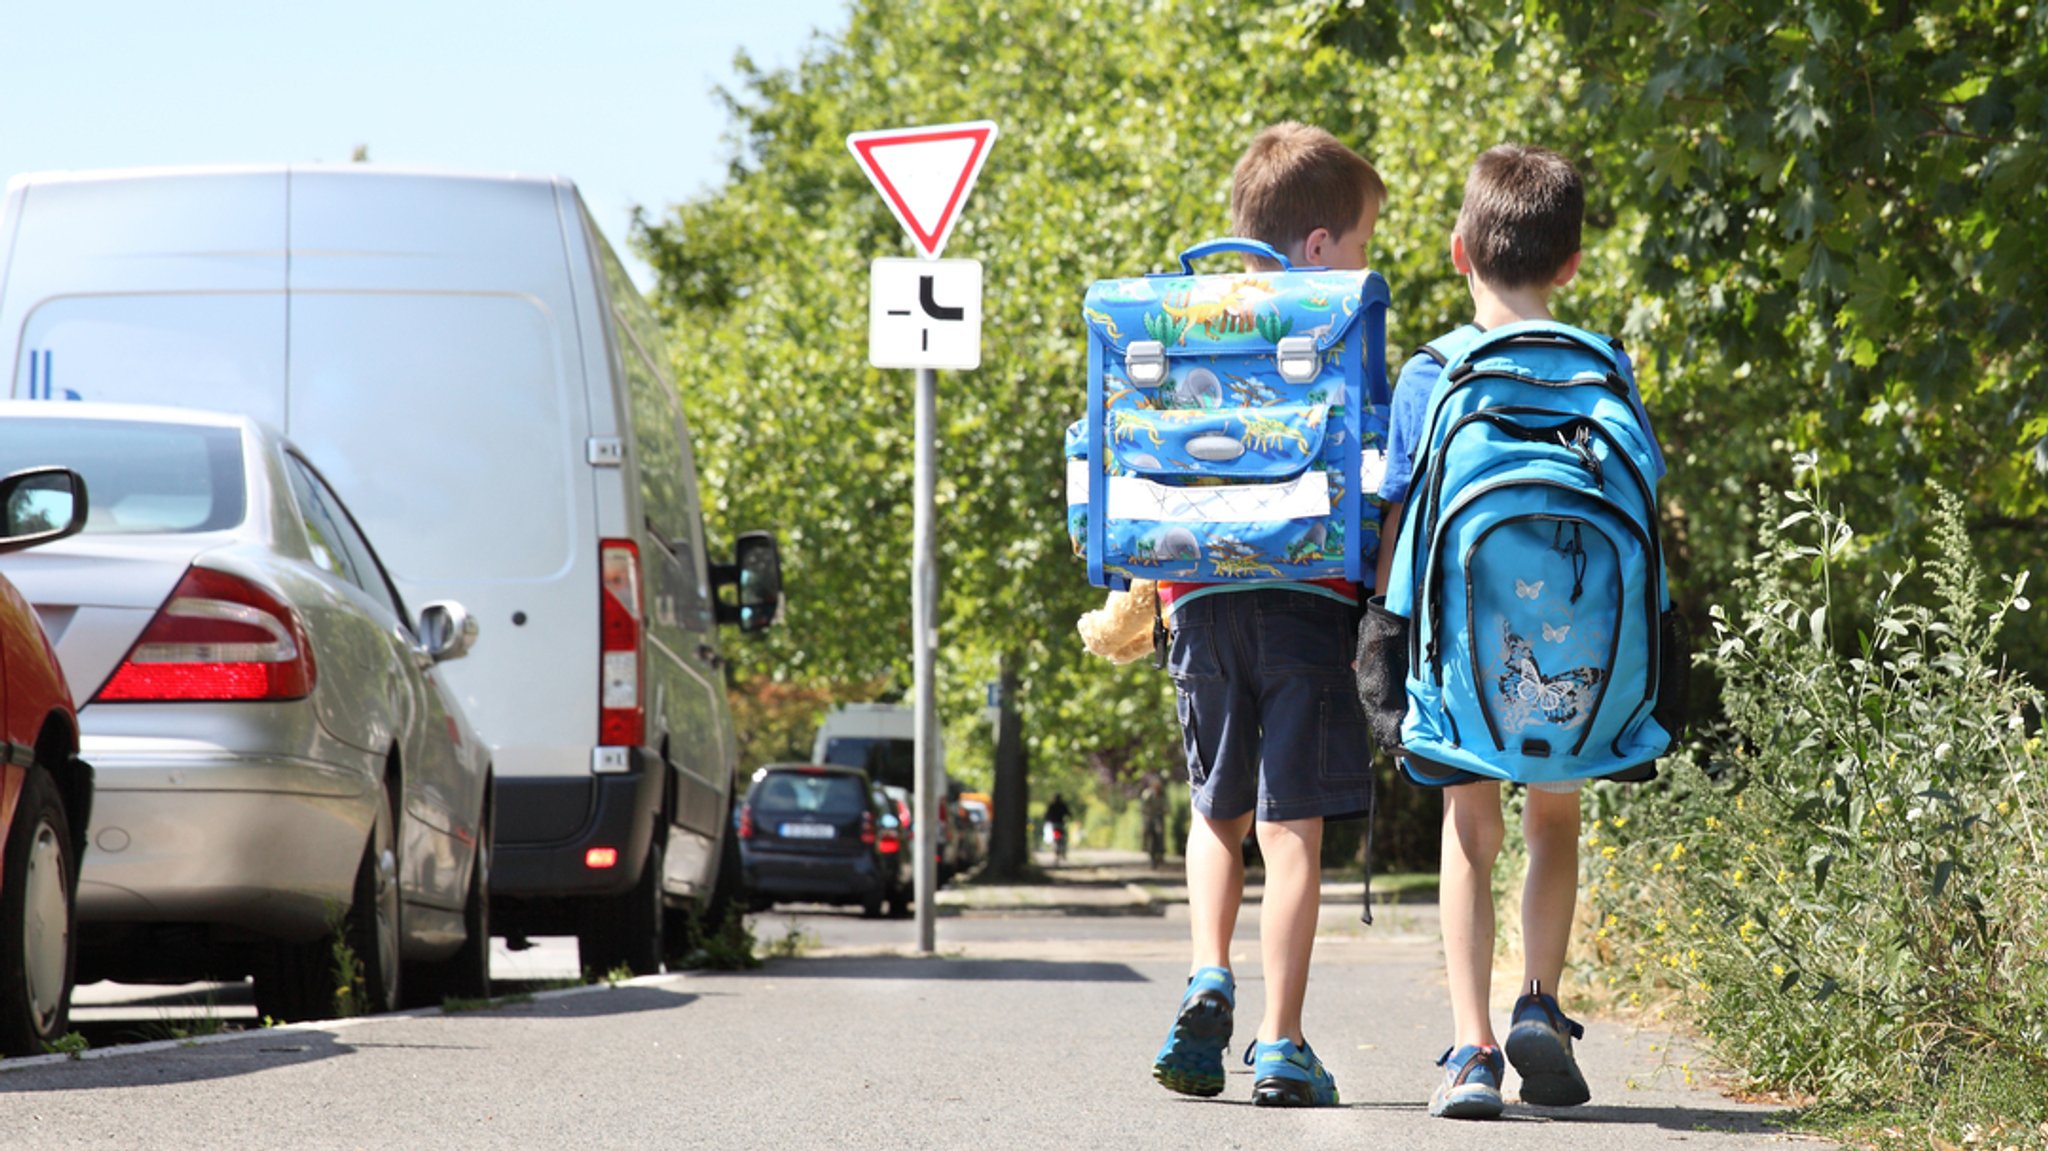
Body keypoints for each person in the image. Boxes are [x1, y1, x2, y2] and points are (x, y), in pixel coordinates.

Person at [1373, 143, 1665, 1120]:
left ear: (1458, 251)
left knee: (1469, 832)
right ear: (1572, 263)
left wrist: (1379, 631)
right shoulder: (1603, 368)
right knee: (1552, 820)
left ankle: (1471, 1045)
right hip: (1578, 658)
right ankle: (1537, 993)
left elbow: (1396, 517)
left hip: (1463, 655)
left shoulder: (1431, 372)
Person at [1148, 122, 1386, 1109]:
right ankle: (1281, 1039)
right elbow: (1372, 461)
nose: (1365, 261)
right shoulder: (1333, 320)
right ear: (1320, 247)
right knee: (1290, 826)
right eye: (1363, 241)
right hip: (1304, 600)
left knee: (1217, 806)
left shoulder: (1176, 319)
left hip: (1196, 597)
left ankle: (1208, 969)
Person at [1042, 793, 1072, 863]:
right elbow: (1068, 813)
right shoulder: (1062, 805)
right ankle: (1063, 853)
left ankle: (1057, 853)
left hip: (1055, 825)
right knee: (1063, 839)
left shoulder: (1052, 806)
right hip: (1061, 824)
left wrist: (1047, 820)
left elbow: (1046, 815)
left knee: (1056, 839)